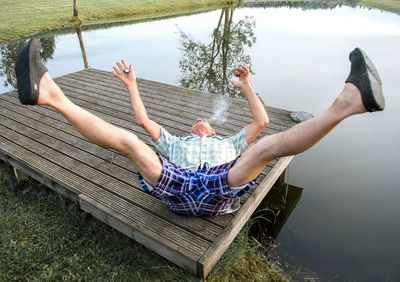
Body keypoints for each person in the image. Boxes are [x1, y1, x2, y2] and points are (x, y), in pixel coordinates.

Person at [14, 39, 385, 216]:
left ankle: (349, 103)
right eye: (195, 122)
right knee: (131, 140)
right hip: (176, 181)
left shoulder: (230, 142)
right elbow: (143, 121)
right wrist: (132, 86)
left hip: (223, 184)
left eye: (202, 121)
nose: (198, 121)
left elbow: (262, 122)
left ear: (208, 128)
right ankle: (48, 94)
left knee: (262, 146)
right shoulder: (175, 144)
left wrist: (246, 87)